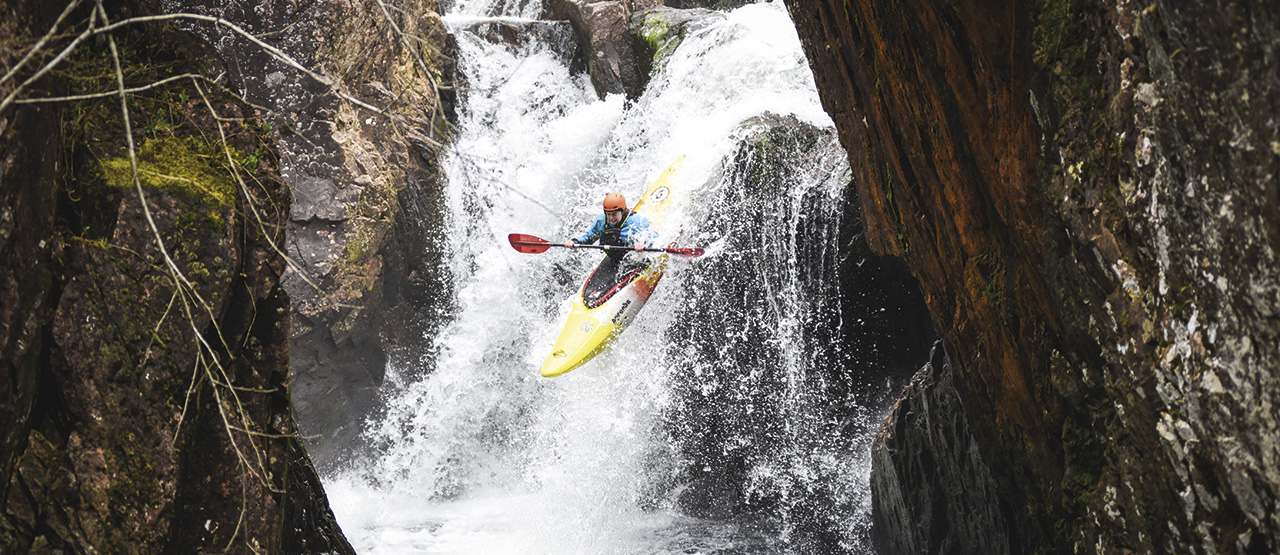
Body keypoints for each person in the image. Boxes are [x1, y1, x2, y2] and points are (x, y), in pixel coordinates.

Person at [564, 192, 656, 303]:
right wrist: (574, 241)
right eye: (608, 214)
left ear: (622, 211)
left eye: (614, 214)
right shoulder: (601, 221)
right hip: (614, 260)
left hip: (633, 260)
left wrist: (644, 245)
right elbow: (589, 237)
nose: (611, 218)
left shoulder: (636, 222)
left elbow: (654, 238)